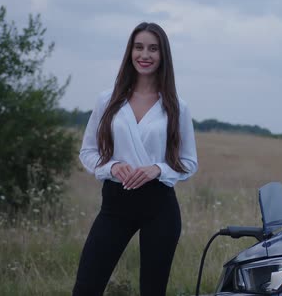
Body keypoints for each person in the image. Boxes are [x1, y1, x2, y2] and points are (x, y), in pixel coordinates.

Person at [73, 22, 198, 296]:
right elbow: (88, 152)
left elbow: (189, 162)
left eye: (153, 49)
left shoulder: (176, 106)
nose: (145, 55)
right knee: (86, 288)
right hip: (115, 205)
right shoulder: (107, 100)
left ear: (163, 55)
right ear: (130, 52)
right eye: (139, 47)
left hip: (160, 207)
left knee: (152, 291)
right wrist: (112, 166)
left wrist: (157, 169)